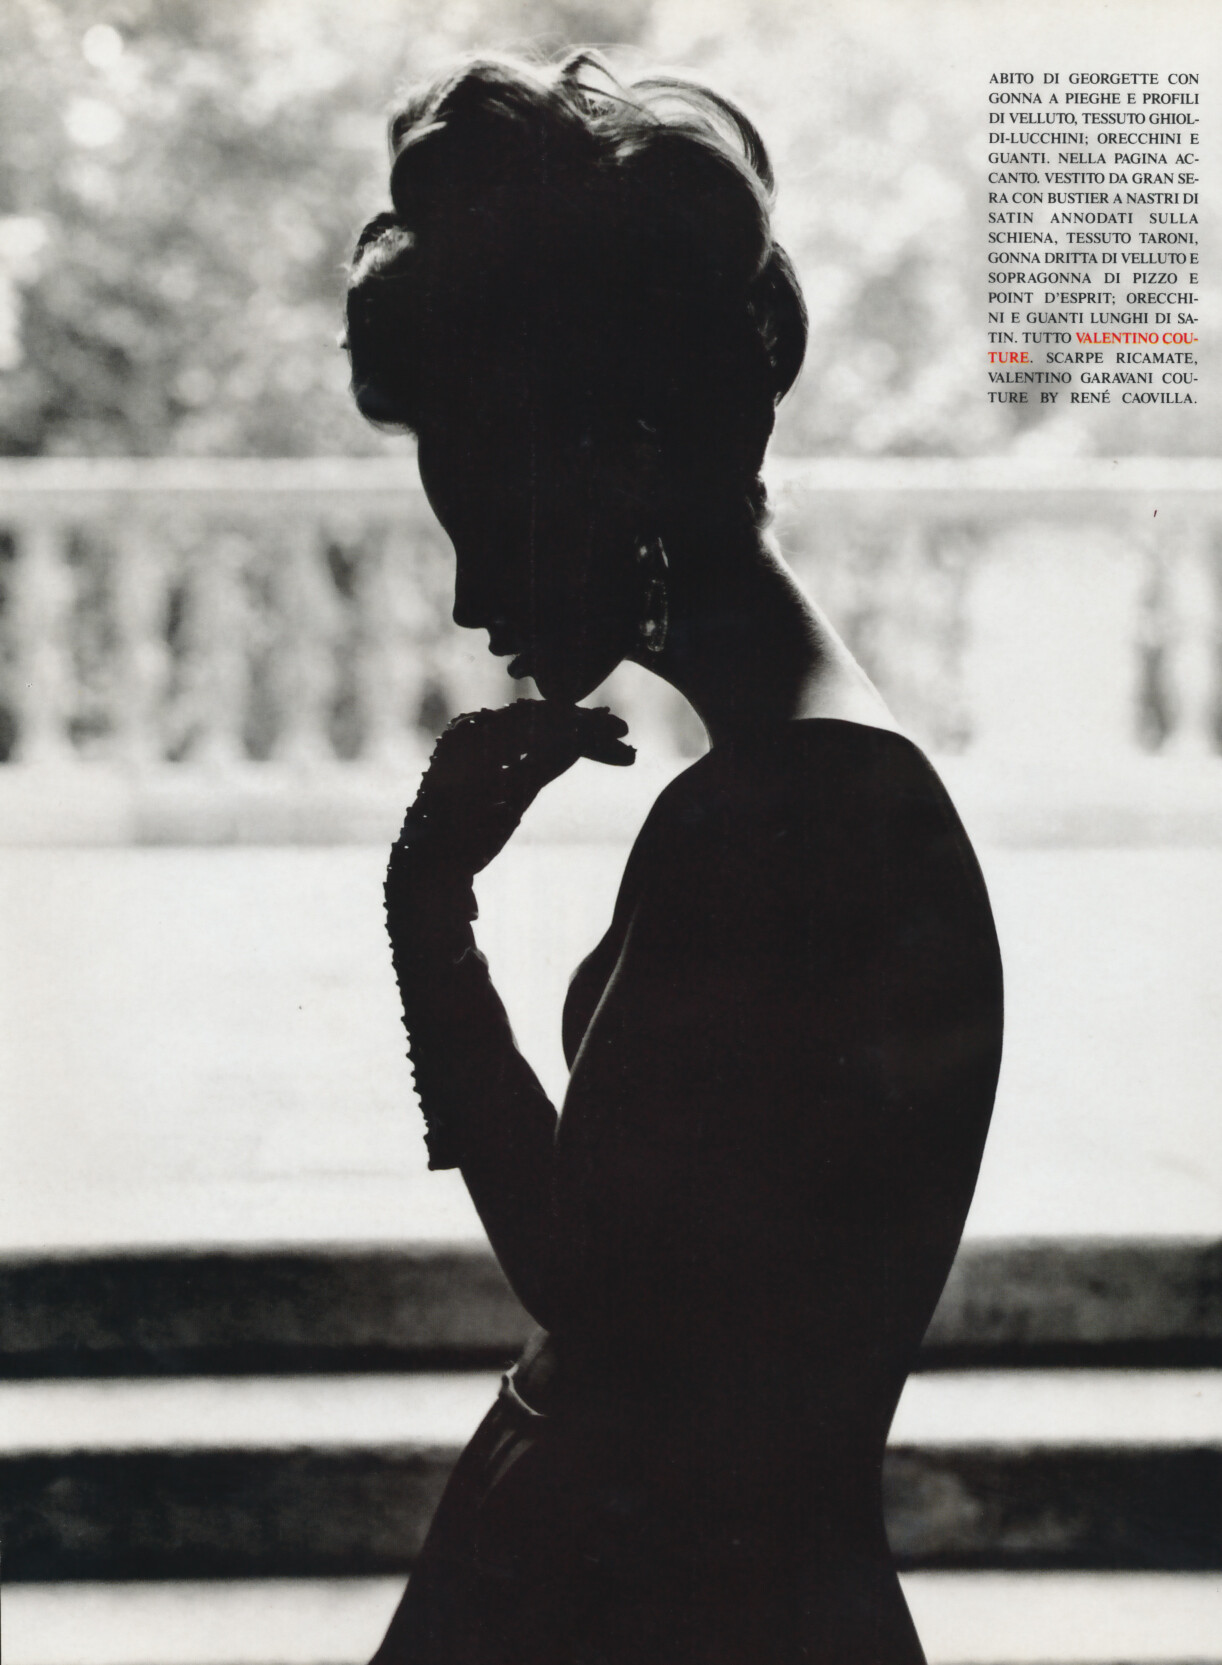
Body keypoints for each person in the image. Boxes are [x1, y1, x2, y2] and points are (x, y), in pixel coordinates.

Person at [344, 50, 1003, 1665]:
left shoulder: (792, 808)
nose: (468, 599)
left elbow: (595, 1295)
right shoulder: (802, 776)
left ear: (620, 458)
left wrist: (429, 919)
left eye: (488, 520)